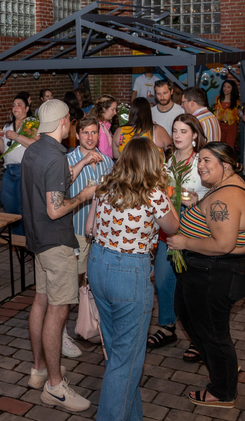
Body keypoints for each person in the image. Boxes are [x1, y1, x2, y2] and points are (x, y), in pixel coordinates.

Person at [85, 138, 180, 421]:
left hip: (98, 264)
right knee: (126, 361)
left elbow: (90, 229)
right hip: (128, 272)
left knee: (117, 353)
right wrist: (167, 194)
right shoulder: (153, 194)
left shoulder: (105, 186)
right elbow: (173, 227)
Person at [166, 142, 245, 409]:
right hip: (207, 271)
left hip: (214, 272)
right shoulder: (225, 187)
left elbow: (223, 244)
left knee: (212, 333)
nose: (201, 166)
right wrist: (198, 205)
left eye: (207, 161)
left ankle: (223, 391)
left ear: (226, 165)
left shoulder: (223, 198)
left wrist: (184, 242)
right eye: (200, 161)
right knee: (192, 320)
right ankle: (223, 368)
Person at [21, 99, 96, 413]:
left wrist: (82, 164)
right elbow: (55, 208)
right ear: (64, 122)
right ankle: (55, 387)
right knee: (58, 310)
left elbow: (55, 181)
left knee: (40, 302)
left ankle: (39, 369)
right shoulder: (55, 156)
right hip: (56, 243)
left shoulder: (35, 150)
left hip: (37, 240)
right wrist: (84, 195)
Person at [148, 114, 209, 362]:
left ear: (194, 135)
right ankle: (167, 326)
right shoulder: (168, 160)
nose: (177, 135)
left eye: (184, 131)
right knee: (163, 281)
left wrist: (197, 200)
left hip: (194, 227)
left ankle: (198, 336)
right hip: (169, 228)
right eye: (175, 130)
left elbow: (218, 193)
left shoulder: (202, 161)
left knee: (191, 285)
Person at [64, 115, 113, 359]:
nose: (90, 137)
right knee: (71, 284)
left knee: (95, 283)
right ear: (77, 135)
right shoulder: (68, 161)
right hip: (76, 230)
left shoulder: (108, 162)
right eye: (85, 133)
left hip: (101, 233)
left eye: (94, 132)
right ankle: (61, 332)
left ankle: (92, 323)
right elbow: (62, 188)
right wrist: (83, 162)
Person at [0, 94, 39, 236]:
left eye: (19, 105)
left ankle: (25, 239)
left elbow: (35, 145)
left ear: (27, 108)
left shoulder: (32, 123)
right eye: (14, 105)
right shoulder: (8, 126)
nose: (15, 107)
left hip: (24, 170)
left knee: (22, 207)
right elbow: (2, 151)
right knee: (9, 206)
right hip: (9, 170)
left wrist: (17, 136)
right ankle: (16, 238)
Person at [213, 80, 241, 148]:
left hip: (231, 126)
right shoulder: (218, 98)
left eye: (228, 87)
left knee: (229, 147)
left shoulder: (237, 100)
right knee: (220, 147)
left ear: (232, 89)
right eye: (224, 86)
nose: (225, 89)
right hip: (220, 125)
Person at [93, 95, 118, 159]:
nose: (115, 113)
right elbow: (104, 153)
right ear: (104, 109)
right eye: (113, 109)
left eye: (115, 110)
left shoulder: (105, 125)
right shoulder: (100, 128)